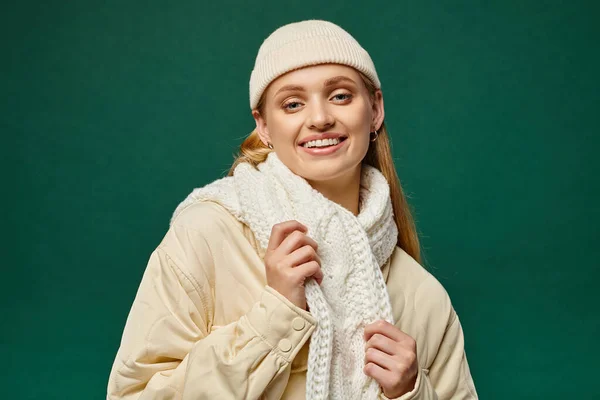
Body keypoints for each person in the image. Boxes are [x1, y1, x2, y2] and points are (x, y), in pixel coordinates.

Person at [107, 19, 478, 400]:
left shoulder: (422, 296)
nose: (319, 118)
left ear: (376, 109)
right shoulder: (206, 234)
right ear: (264, 126)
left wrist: (411, 393)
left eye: (340, 96)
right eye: (293, 104)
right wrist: (275, 318)